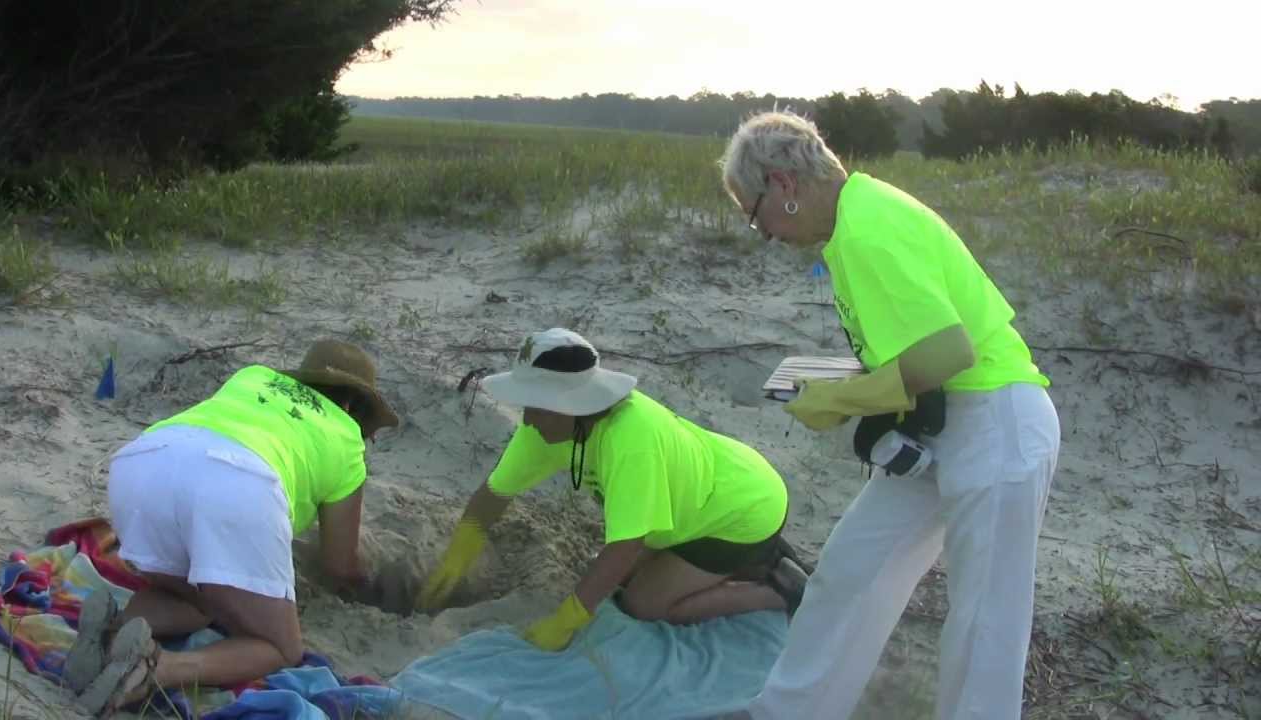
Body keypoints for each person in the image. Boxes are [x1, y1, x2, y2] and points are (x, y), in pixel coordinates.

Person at [717, 110, 1061, 719]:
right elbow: (911, 349)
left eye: (754, 213)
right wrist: (837, 381)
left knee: (986, 623)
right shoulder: (855, 221)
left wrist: (841, 401)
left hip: (997, 424)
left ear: (784, 184)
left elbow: (951, 351)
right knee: (851, 573)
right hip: (939, 426)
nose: (763, 233)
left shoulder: (868, 229)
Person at [64, 340, 399, 716]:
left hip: (142, 464)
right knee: (280, 647)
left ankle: (113, 633)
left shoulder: (252, 377)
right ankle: (155, 668)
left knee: (201, 597)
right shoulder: (345, 435)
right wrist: (371, 583)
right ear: (353, 405)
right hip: (237, 484)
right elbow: (340, 563)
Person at [417, 328, 806, 652]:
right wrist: (460, 552)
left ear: (570, 404)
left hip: (741, 510)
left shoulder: (630, 439)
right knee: (614, 581)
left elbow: (624, 546)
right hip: (690, 503)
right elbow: (493, 494)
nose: (528, 419)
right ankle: (749, 563)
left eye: (535, 405)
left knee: (644, 603)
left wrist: (567, 619)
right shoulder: (546, 427)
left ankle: (776, 589)